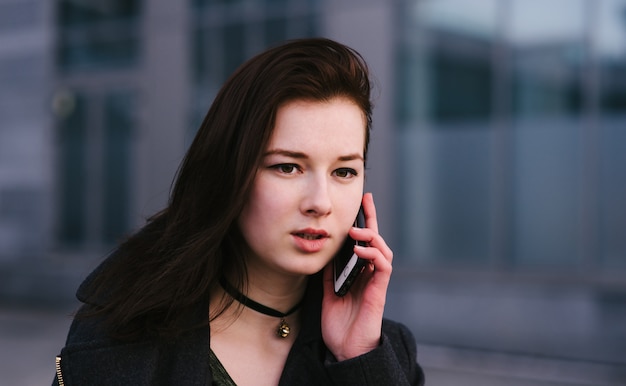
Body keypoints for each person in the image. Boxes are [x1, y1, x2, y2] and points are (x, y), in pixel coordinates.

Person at [53, 37, 425, 385]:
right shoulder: (122, 333)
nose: (320, 202)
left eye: (344, 172)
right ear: (230, 173)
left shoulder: (382, 350)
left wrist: (358, 360)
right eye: (287, 167)